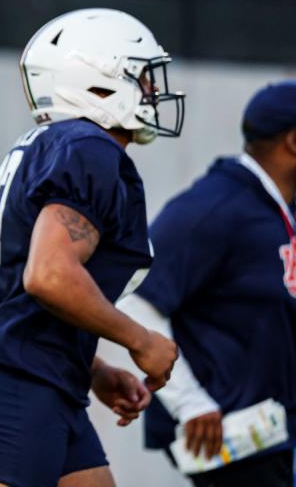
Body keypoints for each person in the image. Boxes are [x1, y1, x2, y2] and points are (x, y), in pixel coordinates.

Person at [0, 8, 186, 487]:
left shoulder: (54, 144)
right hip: (19, 386)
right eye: (144, 77)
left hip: (44, 380)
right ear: (99, 82)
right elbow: (48, 275)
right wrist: (142, 341)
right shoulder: (89, 147)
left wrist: (93, 368)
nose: (155, 92)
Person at [119, 80, 296, 487]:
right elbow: (136, 296)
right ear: (292, 141)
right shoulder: (215, 206)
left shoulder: (278, 207)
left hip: (278, 434)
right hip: (239, 436)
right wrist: (190, 403)